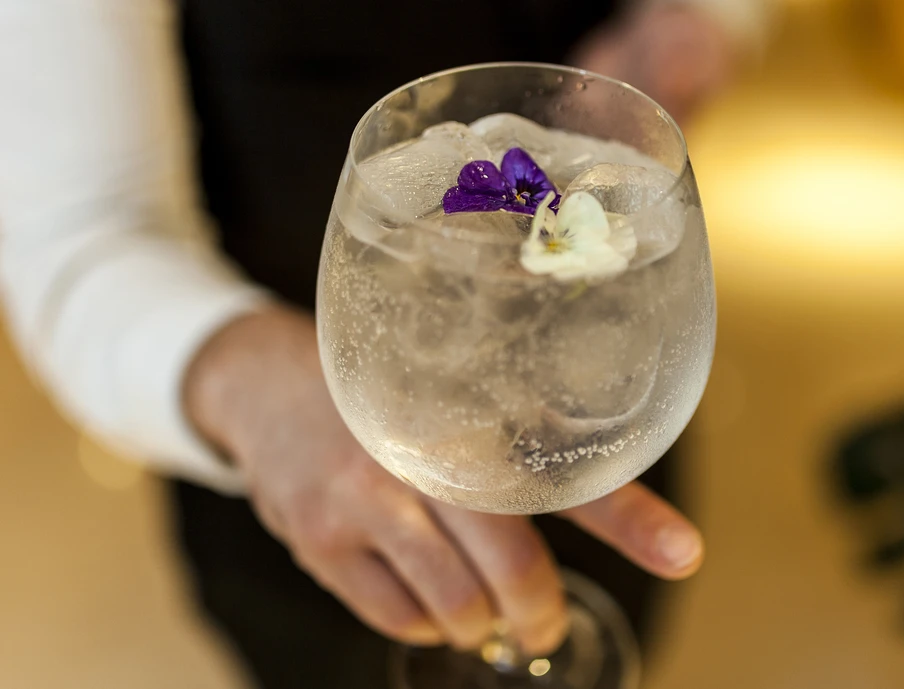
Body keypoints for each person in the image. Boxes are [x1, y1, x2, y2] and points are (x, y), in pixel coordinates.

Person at [0, 0, 770, 686]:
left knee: (621, 607)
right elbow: (77, 230)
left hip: (602, 403)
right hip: (320, 476)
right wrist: (247, 381)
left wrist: (703, 17)